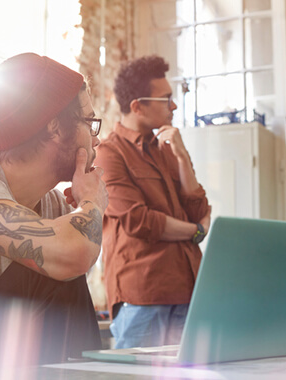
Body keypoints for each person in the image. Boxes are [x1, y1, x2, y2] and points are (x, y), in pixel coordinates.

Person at [0, 53, 109, 366]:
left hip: (10, 362)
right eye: (89, 122)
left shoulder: (54, 204)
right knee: (53, 263)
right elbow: (72, 256)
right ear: (54, 126)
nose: (97, 138)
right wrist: (91, 202)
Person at [94, 55, 211, 349]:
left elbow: (199, 208)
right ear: (137, 106)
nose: (173, 106)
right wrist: (196, 230)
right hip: (143, 297)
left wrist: (182, 156)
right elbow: (139, 221)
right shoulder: (109, 154)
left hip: (189, 292)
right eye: (166, 99)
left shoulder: (168, 149)